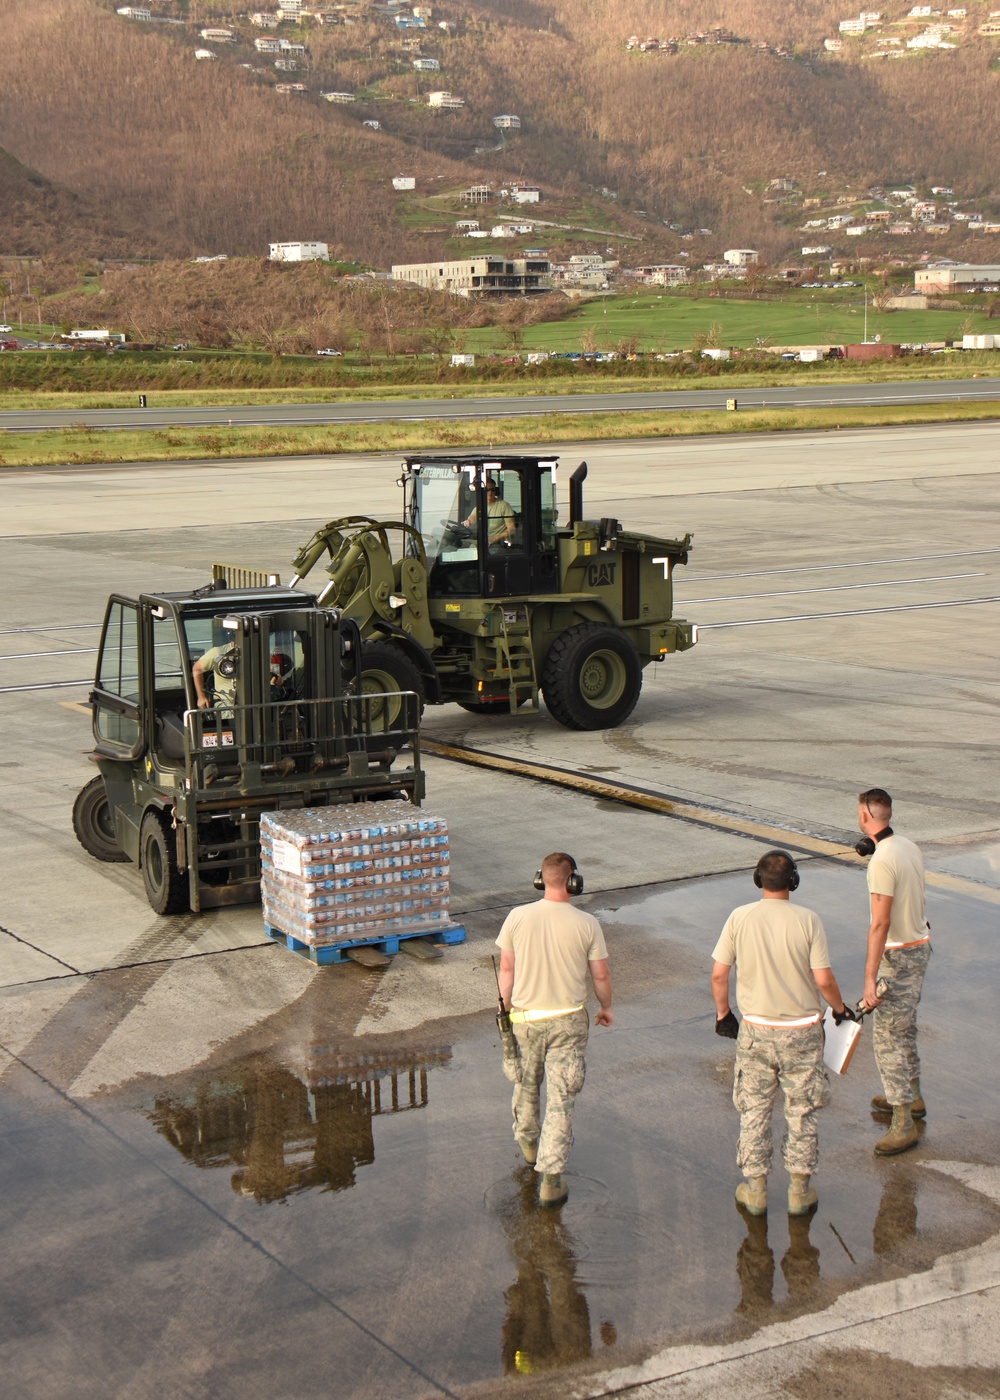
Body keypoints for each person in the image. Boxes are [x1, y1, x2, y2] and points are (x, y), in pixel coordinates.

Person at [711, 850, 853, 1218]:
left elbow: (718, 974)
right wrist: (839, 1009)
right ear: (794, 881)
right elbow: (824, 979)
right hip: (802, 1032)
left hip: (757, 1030)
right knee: (802, 1110)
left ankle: (755, 1190)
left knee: (754, 1110)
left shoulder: (739, 917)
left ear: (758, 879)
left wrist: (724, 1013)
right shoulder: (809, 920)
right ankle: (798, 1191)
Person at [496, 852, 612, 1208]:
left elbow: (507, 972)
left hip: (526, 1021)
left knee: (526, 1086)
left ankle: (529, 1145)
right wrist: (606, 1007)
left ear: (540, 879)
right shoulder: (587, 923)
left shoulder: (516, 917)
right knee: (561, 1100)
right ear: (573, 881)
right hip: (568, 1022)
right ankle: (551, 1179)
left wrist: (504, 1009)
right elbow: (601, 976)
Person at [856, 787, 931, 1156]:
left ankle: (903, 1123)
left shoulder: (881, 861)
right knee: (906, 1027)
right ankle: (912, 1097)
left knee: (887, 1036)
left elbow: (879, 923)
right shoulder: (907, 845)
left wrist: (870, 978)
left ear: (865, 817)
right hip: (920, 946)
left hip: (898, 956)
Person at [464, 476, 515, 548]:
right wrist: (468, 521)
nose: (490, 492)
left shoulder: (504, 506)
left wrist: (494, 539)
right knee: (460, 543)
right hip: (484, 541)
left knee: (472, 549)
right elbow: (473, 517)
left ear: (496, 491)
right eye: (487, 490)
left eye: (492, 490)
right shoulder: (480, 506)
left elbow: (511, 529)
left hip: (498, 543)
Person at [192, 641, 238, 709]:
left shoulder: (256, 651)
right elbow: (197, 668)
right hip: (226, 703)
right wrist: (201, 696)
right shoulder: (218, 652)